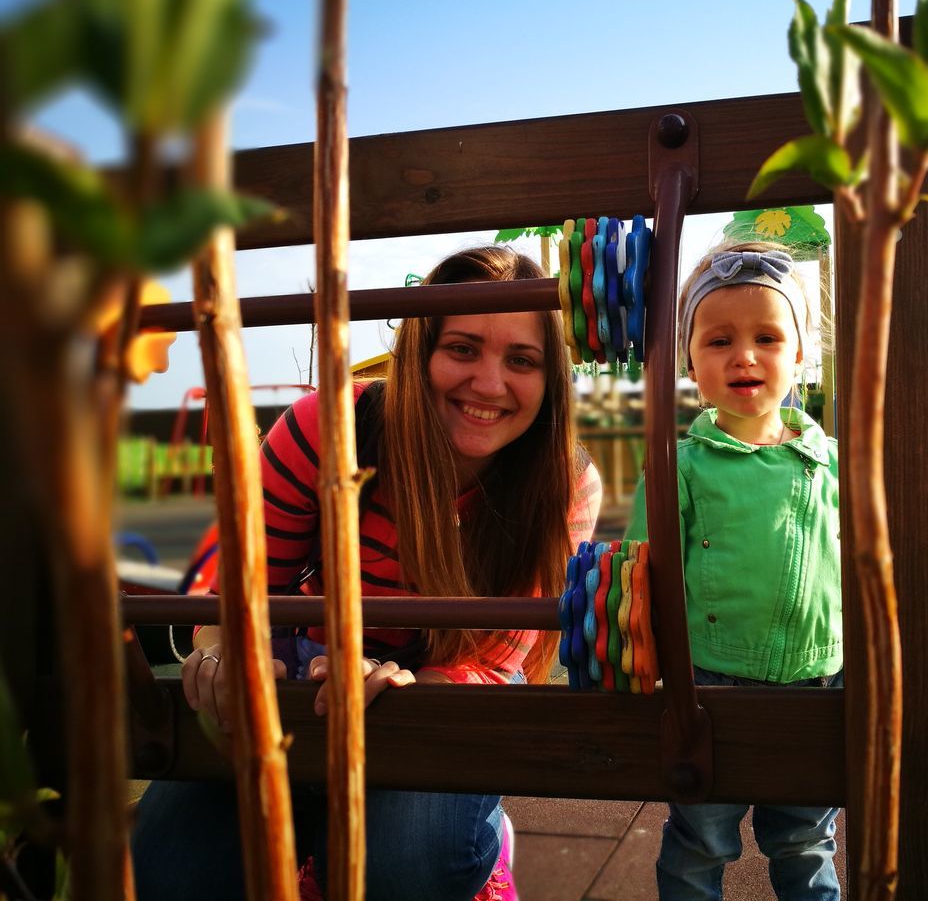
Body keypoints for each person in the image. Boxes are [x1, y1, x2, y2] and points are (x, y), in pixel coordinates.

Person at [133, 246, 602, 901]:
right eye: (463, 349)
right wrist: (226, 650)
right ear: (419, 352)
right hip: (310, 664)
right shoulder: (328, 428)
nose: (490, 384)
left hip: (448, 681)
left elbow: (496, 654)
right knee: (173, 863)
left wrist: (417, 687)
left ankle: (477, 841)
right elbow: (245, 585)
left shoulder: (565, 486)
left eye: (521, 360)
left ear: (550, 380)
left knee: (404, 867)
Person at [626, 242, 843, 901]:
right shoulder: (681, 465)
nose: (743, 355)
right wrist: (643, 655)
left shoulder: (836, 461)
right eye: (718, 340)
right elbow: (642, 568)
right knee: (699, 840)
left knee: (806, 841)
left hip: (822, 680)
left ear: (802, 354)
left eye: (768, 337)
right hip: (706, 686)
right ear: (691, 360)